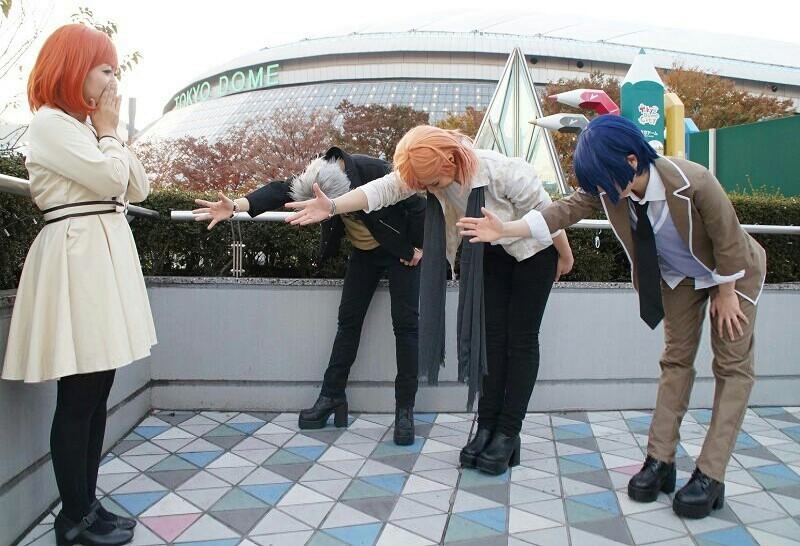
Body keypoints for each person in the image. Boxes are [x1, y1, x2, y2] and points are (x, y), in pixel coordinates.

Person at [457, 114, 766, 518]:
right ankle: (660, 461)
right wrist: (506, 230)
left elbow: (729, 237)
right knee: (675, 361)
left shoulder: (694, 181)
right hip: (680, 279)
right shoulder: (609, 185)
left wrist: (726, 291)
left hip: (731, 275)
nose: (600, 191)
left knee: (732, 368)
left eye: (603, 181)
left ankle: (711, 475)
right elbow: (561, 212)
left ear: (632, 161)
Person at [285, 126, 573, 475]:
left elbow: (547, 216)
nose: (428, 190)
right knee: (492, 340)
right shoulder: (424, 171)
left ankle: (508, 433)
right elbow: (382, 190)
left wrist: (565, 255)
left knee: (521, 341)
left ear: (450, 161)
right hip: (491, 252)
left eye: (432, 183)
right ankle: (486, 428)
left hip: (535, 253)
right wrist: (332, 206)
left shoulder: (503, 172)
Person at [2, 24, 157, 545]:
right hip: (78, 260)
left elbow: (139, 186)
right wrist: (109, 133)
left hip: (95, 259)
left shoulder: (86, 127)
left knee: (98, 387)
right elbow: (113, 180)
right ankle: (73, 518)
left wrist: (109, 132)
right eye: (106, 69)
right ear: (74, 68)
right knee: (80, 393)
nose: (114, 80)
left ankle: (87, 505)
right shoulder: (51, 123)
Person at [192, 147, 425, 445]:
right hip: (363, 255)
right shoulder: (315, 176)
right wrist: (235, 206)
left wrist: (420, 247)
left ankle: (405, 410)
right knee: (348, 323)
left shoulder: (375, 170)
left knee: (406, 326)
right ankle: (331, 396)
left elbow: (417, 203)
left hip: (401, 253)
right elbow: (280, 191)